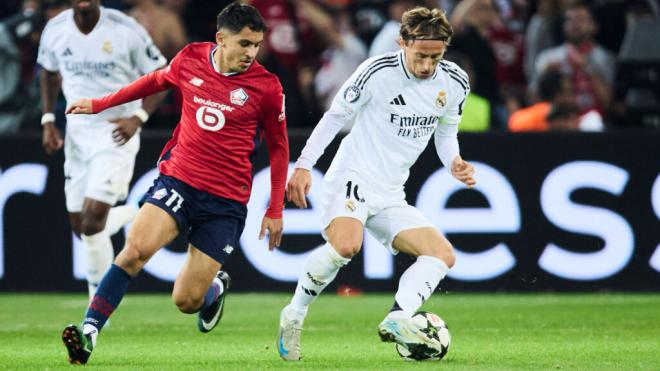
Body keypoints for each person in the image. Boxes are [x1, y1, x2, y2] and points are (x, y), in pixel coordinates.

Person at [60, 2, 289, 365]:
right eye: (244, 44)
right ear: (221, 39)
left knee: (185, 300)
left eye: (256, 45)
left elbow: (278, 148)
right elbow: (154, 81)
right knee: (134, 251)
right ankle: (89, 332)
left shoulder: (266, 87)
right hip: (179, 180)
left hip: (225, 204)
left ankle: (215, 289)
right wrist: (102, 104)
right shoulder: (191, 58)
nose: (251, 53)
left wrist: (275, 208)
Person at [277, 6, 475, 361]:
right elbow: (335, 117)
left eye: (436, 56)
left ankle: (399, 317)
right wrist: (304, 165)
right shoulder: (376, 71)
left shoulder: (455, 81)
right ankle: (294, 313)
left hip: (390, 192)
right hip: (353, 175)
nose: (427, 66)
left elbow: (446, 133)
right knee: (346, 247)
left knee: (443, 254)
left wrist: (454, 163)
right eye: (420, 56)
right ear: (402, 43)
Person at [37, 0, 167, 302]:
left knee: (93, 221)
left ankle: (98, 307)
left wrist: (139, 117)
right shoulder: (55, 30)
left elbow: (163, 74)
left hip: (115, 131)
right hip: (77, 133)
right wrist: (47, 120)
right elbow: (49, 73)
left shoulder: (126, 29)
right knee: (81, 227)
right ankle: (139, 212)